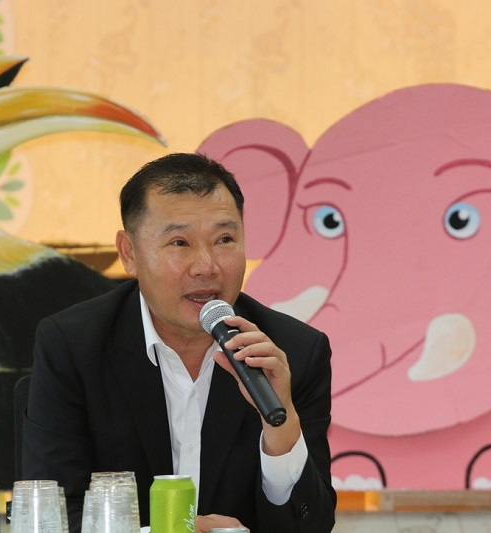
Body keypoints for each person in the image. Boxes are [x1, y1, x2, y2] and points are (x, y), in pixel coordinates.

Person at [22, 152, 336, 532]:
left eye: (224, 239)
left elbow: (312, 526)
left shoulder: (291, 353)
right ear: (129, 253)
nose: (207, 266)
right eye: (179, 242)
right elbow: (51, 516)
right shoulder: (73, 346)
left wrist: (280, 425)